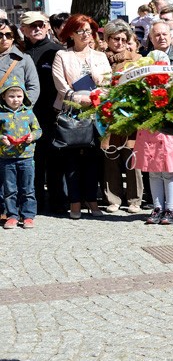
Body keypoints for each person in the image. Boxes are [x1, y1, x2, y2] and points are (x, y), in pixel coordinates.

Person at [52, 14, 111, 220]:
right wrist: (78, 98)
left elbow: (108, 83)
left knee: (93, 159)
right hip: (71, 112)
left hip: (95, 112)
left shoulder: (100, 56)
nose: (86, 35)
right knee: (72, 160)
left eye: (89, 31)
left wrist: (97, 93)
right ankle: (75, 202)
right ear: (71, 33)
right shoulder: (62, 56)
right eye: (81, 31)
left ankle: (92, 200)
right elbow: (61, 85)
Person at [20, 11, 67, 214]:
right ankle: (35, 201)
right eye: (32, 26)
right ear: (23, 30)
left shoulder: (58, 51)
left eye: (40, 25)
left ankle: (58, 202)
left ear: (48, 26)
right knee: (32, 161)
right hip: (26, 116)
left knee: (55, 161)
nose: (37, 29)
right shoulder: (20, 53)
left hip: (52, 115)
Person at [102, 21, 144, 214]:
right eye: (115, 39)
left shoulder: (136, 59)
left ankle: (135, 199)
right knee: (110, 155)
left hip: (130, 113)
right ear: (107, 39)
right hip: (107, 114)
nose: (119, 43)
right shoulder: (101, 59)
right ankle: (113, 198)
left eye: (123, 39)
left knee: (132, 155)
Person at [0, 80, 41, 229]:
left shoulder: (28, 113)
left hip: (27, 157)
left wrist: (33, 136)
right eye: (11, 96)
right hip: (7, 158)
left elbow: (38, 130)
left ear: (24, 96)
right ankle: (12, 215)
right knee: (10, 189)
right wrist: (2, 138)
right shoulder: (1, 114)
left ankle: (28, 215)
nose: (15, 99)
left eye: (19, 96)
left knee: (28, 188)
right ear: (4, 97)